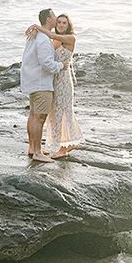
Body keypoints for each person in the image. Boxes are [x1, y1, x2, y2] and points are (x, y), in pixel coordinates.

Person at [27, 12, 81, 159]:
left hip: (63, 80)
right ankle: (68, 142)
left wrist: (37, 27)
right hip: (53, 79)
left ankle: (64, 147)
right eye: (59, 23)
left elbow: (54, 36)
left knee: (64, 112)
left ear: (69, 25)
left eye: (64, 23)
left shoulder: (70, 38)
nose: (61, 25)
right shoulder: (53, 40)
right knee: (55, 112)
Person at [19, 8, 70, 162]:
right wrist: (61, 65)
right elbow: (47, 64)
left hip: (33, 80)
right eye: (54, 16)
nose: (56, 19)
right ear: (49, 20)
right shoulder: (43, 40)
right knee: (40, 118)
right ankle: (37, 153)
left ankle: (33, 148)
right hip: (41, 83)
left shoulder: (36, 36)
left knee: (34, 115)